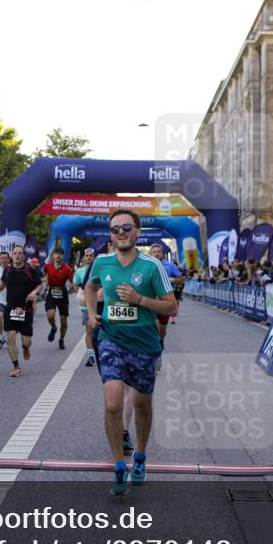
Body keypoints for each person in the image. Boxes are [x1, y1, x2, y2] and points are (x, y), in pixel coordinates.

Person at [85, 209, 177, 496]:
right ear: (110, 235)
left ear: (137, 232)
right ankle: (118, 466)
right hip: (111, 338)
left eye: (126, 227)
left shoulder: (152, 266)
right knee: (113, 404)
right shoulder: (102, 262)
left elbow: (171, 306)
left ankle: (139, 455)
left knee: (141, 405)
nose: (121, 233)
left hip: (144, 344)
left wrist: (139, 299)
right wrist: (91, 313)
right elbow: (90, 286)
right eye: (115, 229)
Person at [3, 244, 43, 377]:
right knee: (11, 337)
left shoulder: (30, 271)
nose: (17, 255)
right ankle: (16, 366)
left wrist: (34, 293)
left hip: (26, 310)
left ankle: (25, 348)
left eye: (20, 253)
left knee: (26, 341)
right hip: (11, 309)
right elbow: (2, 284)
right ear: (12, 256)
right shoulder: (7, 270)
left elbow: (40, 284)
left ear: (24, 256)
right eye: (15, 253)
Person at [43, 247, 74, 350]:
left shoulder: (67, 269)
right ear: (53, 255)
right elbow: (47, 276)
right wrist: (45, 289)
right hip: (51, 292)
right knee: (50, 316)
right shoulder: (47, 266)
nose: (58, 255)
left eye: (60, 254)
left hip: (62, 294)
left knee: (63, 320)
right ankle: (53, 327)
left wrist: (74, 287)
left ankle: (61, 339)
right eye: (56, 253)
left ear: (63, 256)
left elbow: (73, 281)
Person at [149, 243, 182, 338]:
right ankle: (156, 347)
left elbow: (181, 279)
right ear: (151, 254)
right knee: (155, 327)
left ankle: (161, 341)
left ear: (162, 253)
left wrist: (174, 280)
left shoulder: (170, 265)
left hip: (165, 302)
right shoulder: (147, 265)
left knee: (162, 330)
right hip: (152, 301)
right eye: (154, 252)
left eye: (158, 252)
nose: (156, 254)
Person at [73, 248, 97, 366]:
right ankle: (90, 355)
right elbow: (75, 284)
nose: (89, 258)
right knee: (89, 330)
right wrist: (82, 295)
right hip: (85, 307)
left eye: (91, 256)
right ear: (84, 258)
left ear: (94, 257)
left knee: (99, 331)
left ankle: (100, 352)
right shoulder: (79, 272)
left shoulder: (99, 270)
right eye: (87, 256)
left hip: (99, 304)